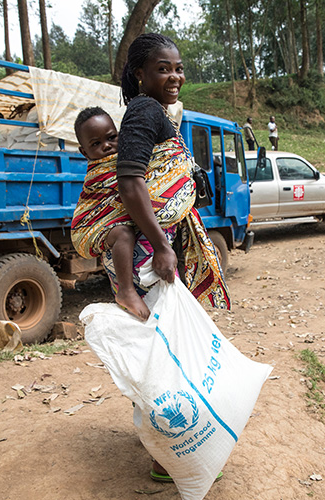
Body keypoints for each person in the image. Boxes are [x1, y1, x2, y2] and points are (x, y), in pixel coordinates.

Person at [71, 33, 230, 482]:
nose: (175, 75)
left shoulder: (152, 112)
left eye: (178, 67)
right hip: (146, 256)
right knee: (165, 358)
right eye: (163, 68)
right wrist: (162, 245)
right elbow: (130, 183)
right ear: (139, 74)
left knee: (163, 354)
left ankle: (171, 449)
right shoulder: (144, 110)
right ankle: (172, 456)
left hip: (147, 252)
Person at [73, 107, 150, 321]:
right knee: (124, 233)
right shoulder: (100, 172)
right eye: (96, 144)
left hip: (116, 238)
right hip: (91, 228)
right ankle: (126, 291)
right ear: (84, 152)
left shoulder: (128, 159)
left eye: (111, 138)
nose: (106, 146)